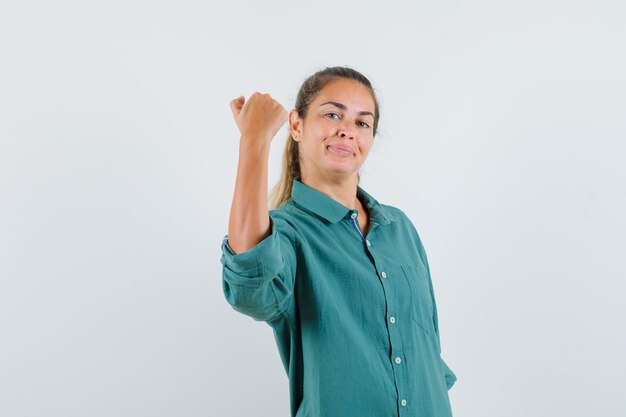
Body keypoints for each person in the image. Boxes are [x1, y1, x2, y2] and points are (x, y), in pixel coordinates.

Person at [220, 66, 457, 417]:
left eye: (362, 123)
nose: (347, 130)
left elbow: (427, 348)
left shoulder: (400, 228)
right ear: (297, 126)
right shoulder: (287, 232)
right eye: (332, 115)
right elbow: (251, 291)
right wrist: (254, 141)